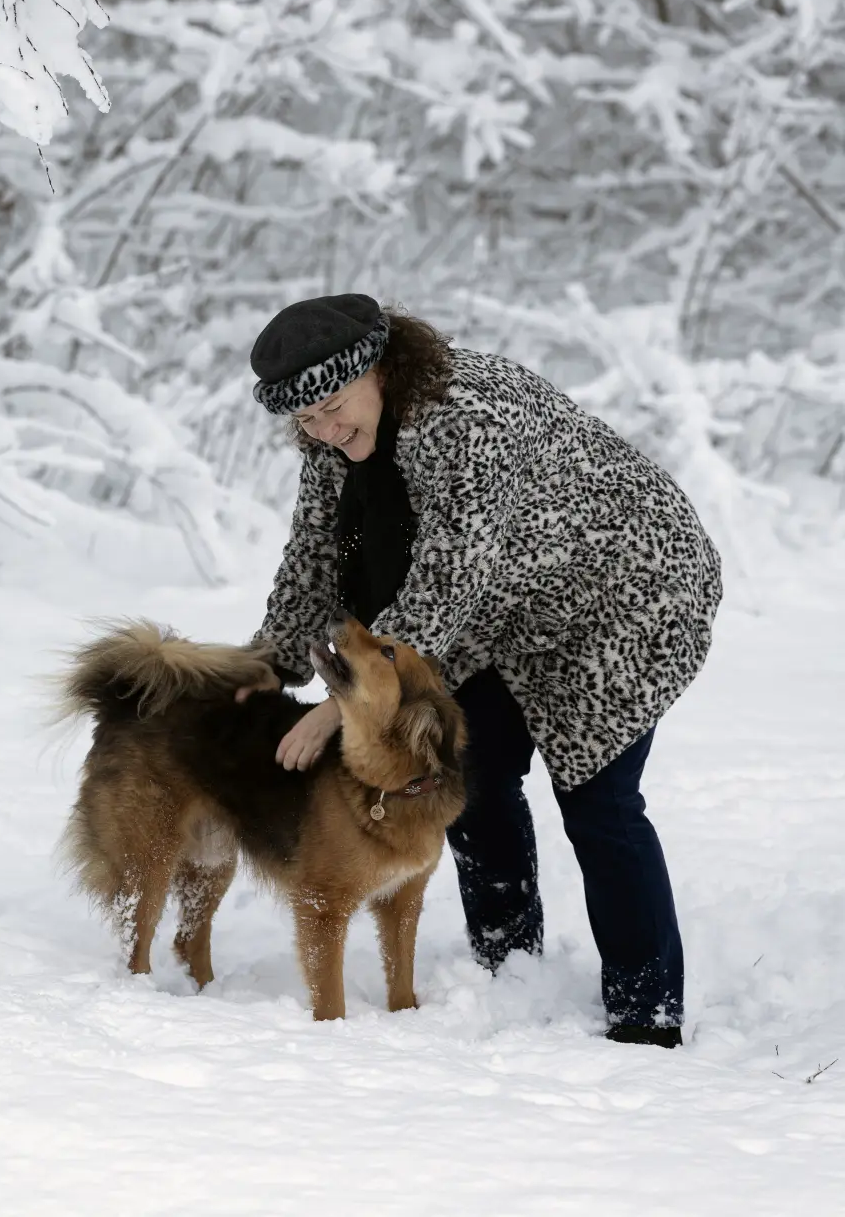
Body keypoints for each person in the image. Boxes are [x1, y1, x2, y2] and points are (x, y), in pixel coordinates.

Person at [237, 294, 722, 1048]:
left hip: (622, 598)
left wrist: (340, 704)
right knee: (467, 778)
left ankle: (646, 1016)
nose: (325, 431)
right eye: (305, 421)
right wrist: (259, 665)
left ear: (380, 368)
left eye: (334, 406)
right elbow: (312, 562)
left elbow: (446, 581)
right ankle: (507, 972)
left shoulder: (467, 420)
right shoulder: (329, 439)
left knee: (600, 802)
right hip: (502, 615)